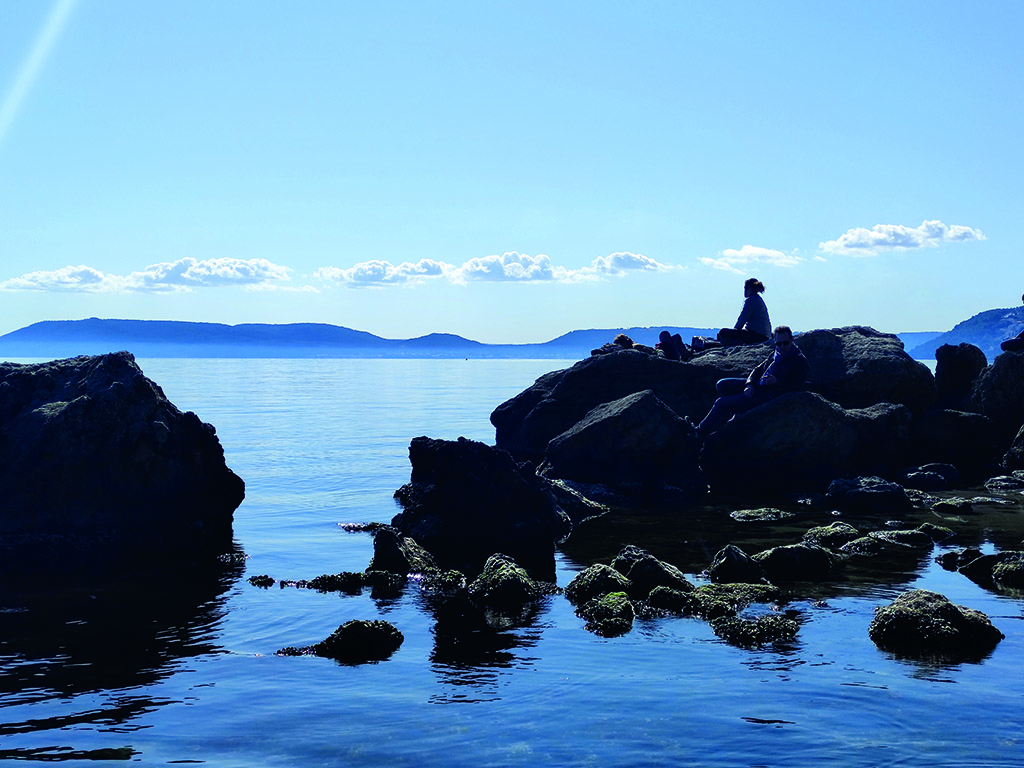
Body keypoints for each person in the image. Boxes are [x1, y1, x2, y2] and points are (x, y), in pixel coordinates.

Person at [695, 325, 809, 439]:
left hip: (766, 395)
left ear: (792, 340)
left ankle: (699, 433)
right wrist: (749, 384)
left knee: (720, 403)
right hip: (758, 386)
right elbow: (758, 370)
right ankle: (739, 410)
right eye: (778, 344)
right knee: (722, 384)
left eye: (785, 343)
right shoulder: (776, 354)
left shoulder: (799, 361)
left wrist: (776, 382)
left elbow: (798, 386)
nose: (782, 346)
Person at [717, 278, 771, 346]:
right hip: (763, 335)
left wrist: (734, 333)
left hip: (758, 336)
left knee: (723, 332)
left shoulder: (752, 300)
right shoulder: (757, 299)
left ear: (749, 288)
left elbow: (742, 319)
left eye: (745, 288)